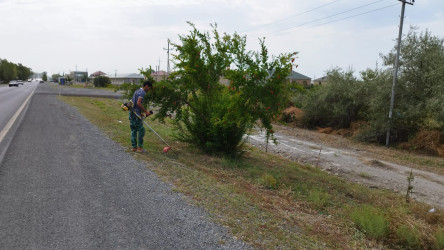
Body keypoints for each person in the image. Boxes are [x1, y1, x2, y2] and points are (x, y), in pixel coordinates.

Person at [129, 80, 153, 152]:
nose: (149, 90)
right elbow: (138, 103)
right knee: (141, 130)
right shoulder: (142, 92)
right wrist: (146, 112)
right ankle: (140, 148)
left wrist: (141, 113)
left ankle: (134, 147)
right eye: (149, 88)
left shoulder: (137, 91)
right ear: (146, 86)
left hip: (132, 113)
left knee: (133, 130)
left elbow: (132, 103)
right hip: (136, 115)